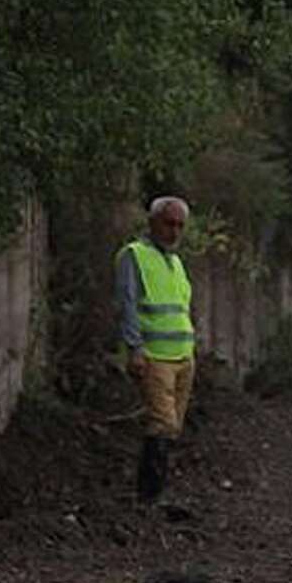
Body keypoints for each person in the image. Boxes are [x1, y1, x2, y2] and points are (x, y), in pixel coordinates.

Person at [116, 196, 197, 504]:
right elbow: (128, 305)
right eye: (169, 223)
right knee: (162, 423)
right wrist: (134, 348)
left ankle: (154, 492)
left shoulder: (175, 262)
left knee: (172, 426)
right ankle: (150, 496)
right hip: (155, 356)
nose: (174, 231)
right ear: (152, 222)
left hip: (183, 357)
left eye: (180, 226)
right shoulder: (134, 256)